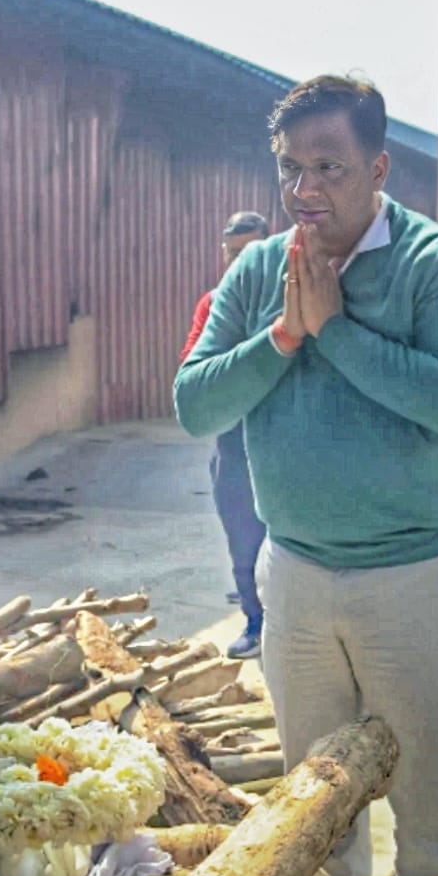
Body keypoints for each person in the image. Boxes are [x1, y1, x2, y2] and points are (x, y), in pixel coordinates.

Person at [174, 75, 438, 876]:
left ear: (380, 168)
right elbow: (195, 403)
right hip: (298, 577)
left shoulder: (437, 263)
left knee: (432, 815)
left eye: (329, 167)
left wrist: (337, 334)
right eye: (289, 169)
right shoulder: (257, 273)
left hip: (419, 577)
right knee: (315, 811)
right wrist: (282, 338)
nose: (304, 190)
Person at [179, 211, 271, 659]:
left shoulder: (287, 300)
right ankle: (255, 623)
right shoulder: (213, 303)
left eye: (248, 252)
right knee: (242, 535)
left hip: (284, 440)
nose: (238, 262)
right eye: (232, 253)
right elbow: (192, 372)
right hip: (234, 442)